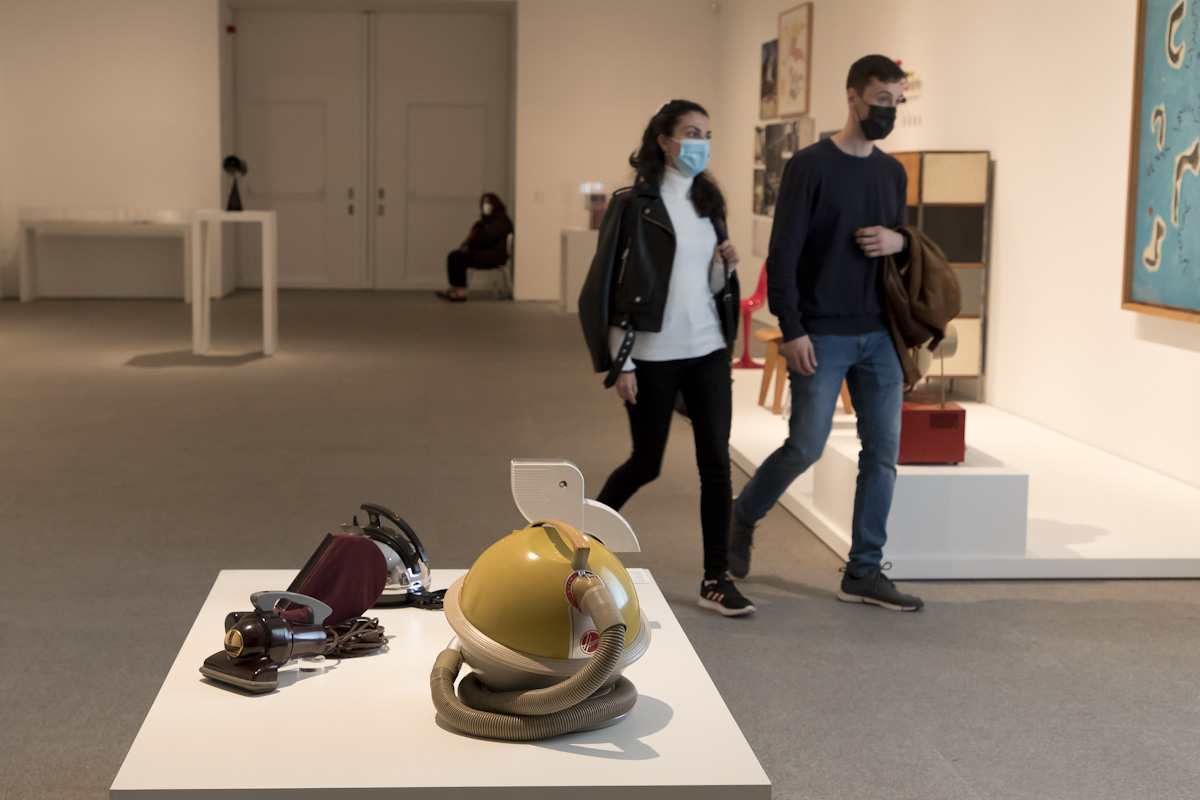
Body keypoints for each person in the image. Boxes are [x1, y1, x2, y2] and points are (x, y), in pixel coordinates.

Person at [729, 55, 925, 612]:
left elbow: (901, 246)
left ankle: (863, 570)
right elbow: (783, 254)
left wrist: (900, 241)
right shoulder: (809, 166)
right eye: (881, 100)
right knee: (806, 446)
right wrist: (791, 329)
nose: (889, 111)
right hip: (822, 333)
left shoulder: (891, 173)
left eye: (897, 101)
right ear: (853, 98)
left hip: (880, 334)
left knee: (883, 455)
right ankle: (742, 516)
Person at [578, 100, 754, 617]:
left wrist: (725, 267)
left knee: (716, 463)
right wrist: (622, 361)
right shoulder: (634, 205)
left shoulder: (709, 200)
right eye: (691, 133)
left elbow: (709, 284)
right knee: (646, 462)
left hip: (708, 350)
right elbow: (611, 286)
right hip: (652, 354)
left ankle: (716, 579)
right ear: (664, 140)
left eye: (707, 135)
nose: (701, 144)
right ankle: (580, 548)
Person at [436, 193, 512, 302]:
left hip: (493, 255)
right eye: (483, 202)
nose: (485, 205)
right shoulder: (487, 221)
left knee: (458, 258)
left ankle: (461, 291)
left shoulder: (500, 221)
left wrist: (470, 245)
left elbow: (486, 237)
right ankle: (454, 288)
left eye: (488, 202)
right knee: (454, 256)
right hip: (484, 252)